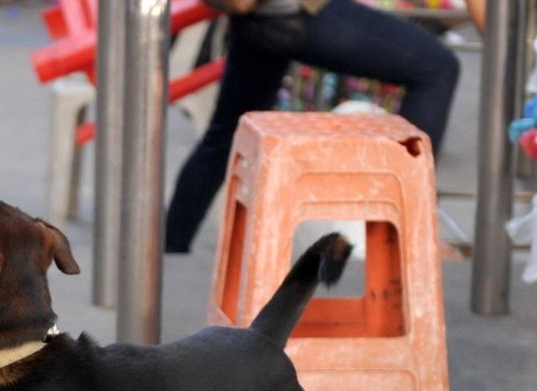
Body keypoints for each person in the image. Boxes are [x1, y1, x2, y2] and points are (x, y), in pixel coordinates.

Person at [165, 0, 463, 253]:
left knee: (224, 138)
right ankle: (399, 236)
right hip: (292, 12)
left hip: (261, 19)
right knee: (437, 68)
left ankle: (169, 252)